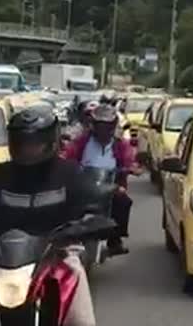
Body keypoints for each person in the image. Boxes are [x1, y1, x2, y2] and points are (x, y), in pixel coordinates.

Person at [0, 107, 97, 326]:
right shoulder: (0, 174)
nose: (27, 149)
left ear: (51, 142)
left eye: (34, 143)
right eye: (22, 143)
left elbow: (90, 203)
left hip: (57, 254)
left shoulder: (69, 173)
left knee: (82, 314)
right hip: (4, 257)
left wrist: (89, 221)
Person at [60, 104, 143, 255]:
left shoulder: (120, 145)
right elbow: (68, 154)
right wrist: (63, 162)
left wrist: (132, 168)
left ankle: (115, 240)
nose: (104, 130)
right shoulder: (82, 142)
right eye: (100, 126)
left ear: (113, 126)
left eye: (107, 126)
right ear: (93, 125)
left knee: (123, 201)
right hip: (83, 184)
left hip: (111, 186)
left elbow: (130, 161)